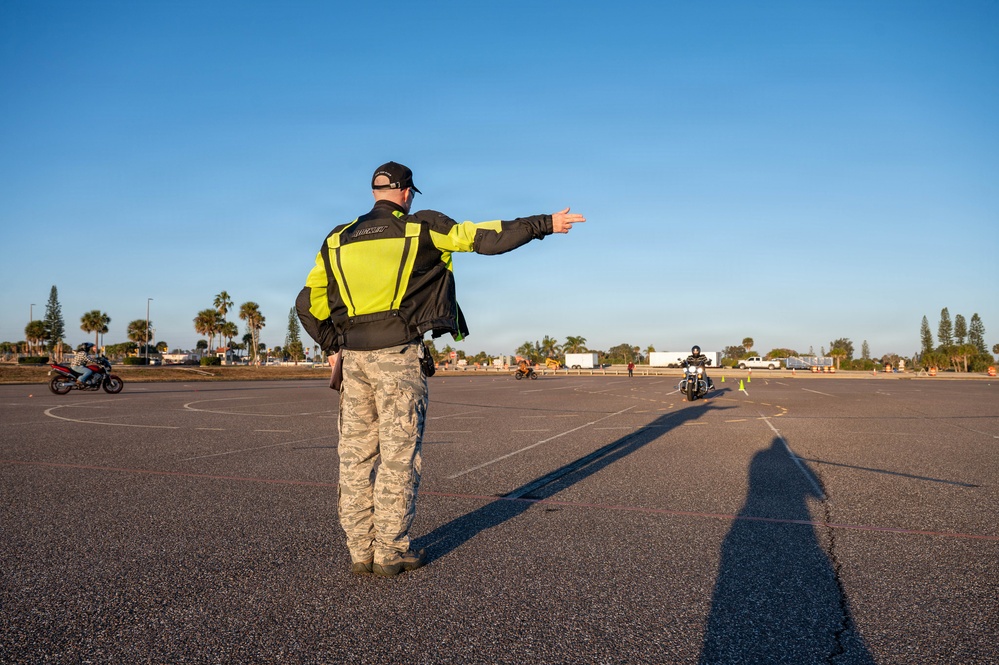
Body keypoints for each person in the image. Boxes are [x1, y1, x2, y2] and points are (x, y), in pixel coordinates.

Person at [296, 161, 585, 578]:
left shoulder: (336, 238)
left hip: (354, 361)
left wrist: (332, 344)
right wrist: (544, 223)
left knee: (355, 459)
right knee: (397, 457)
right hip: (398, 358)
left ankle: (360, 551)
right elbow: (486, 237)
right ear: (407, 192)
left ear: (374, 191)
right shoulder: (422, 227)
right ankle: (390, 553)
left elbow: (307, 302)